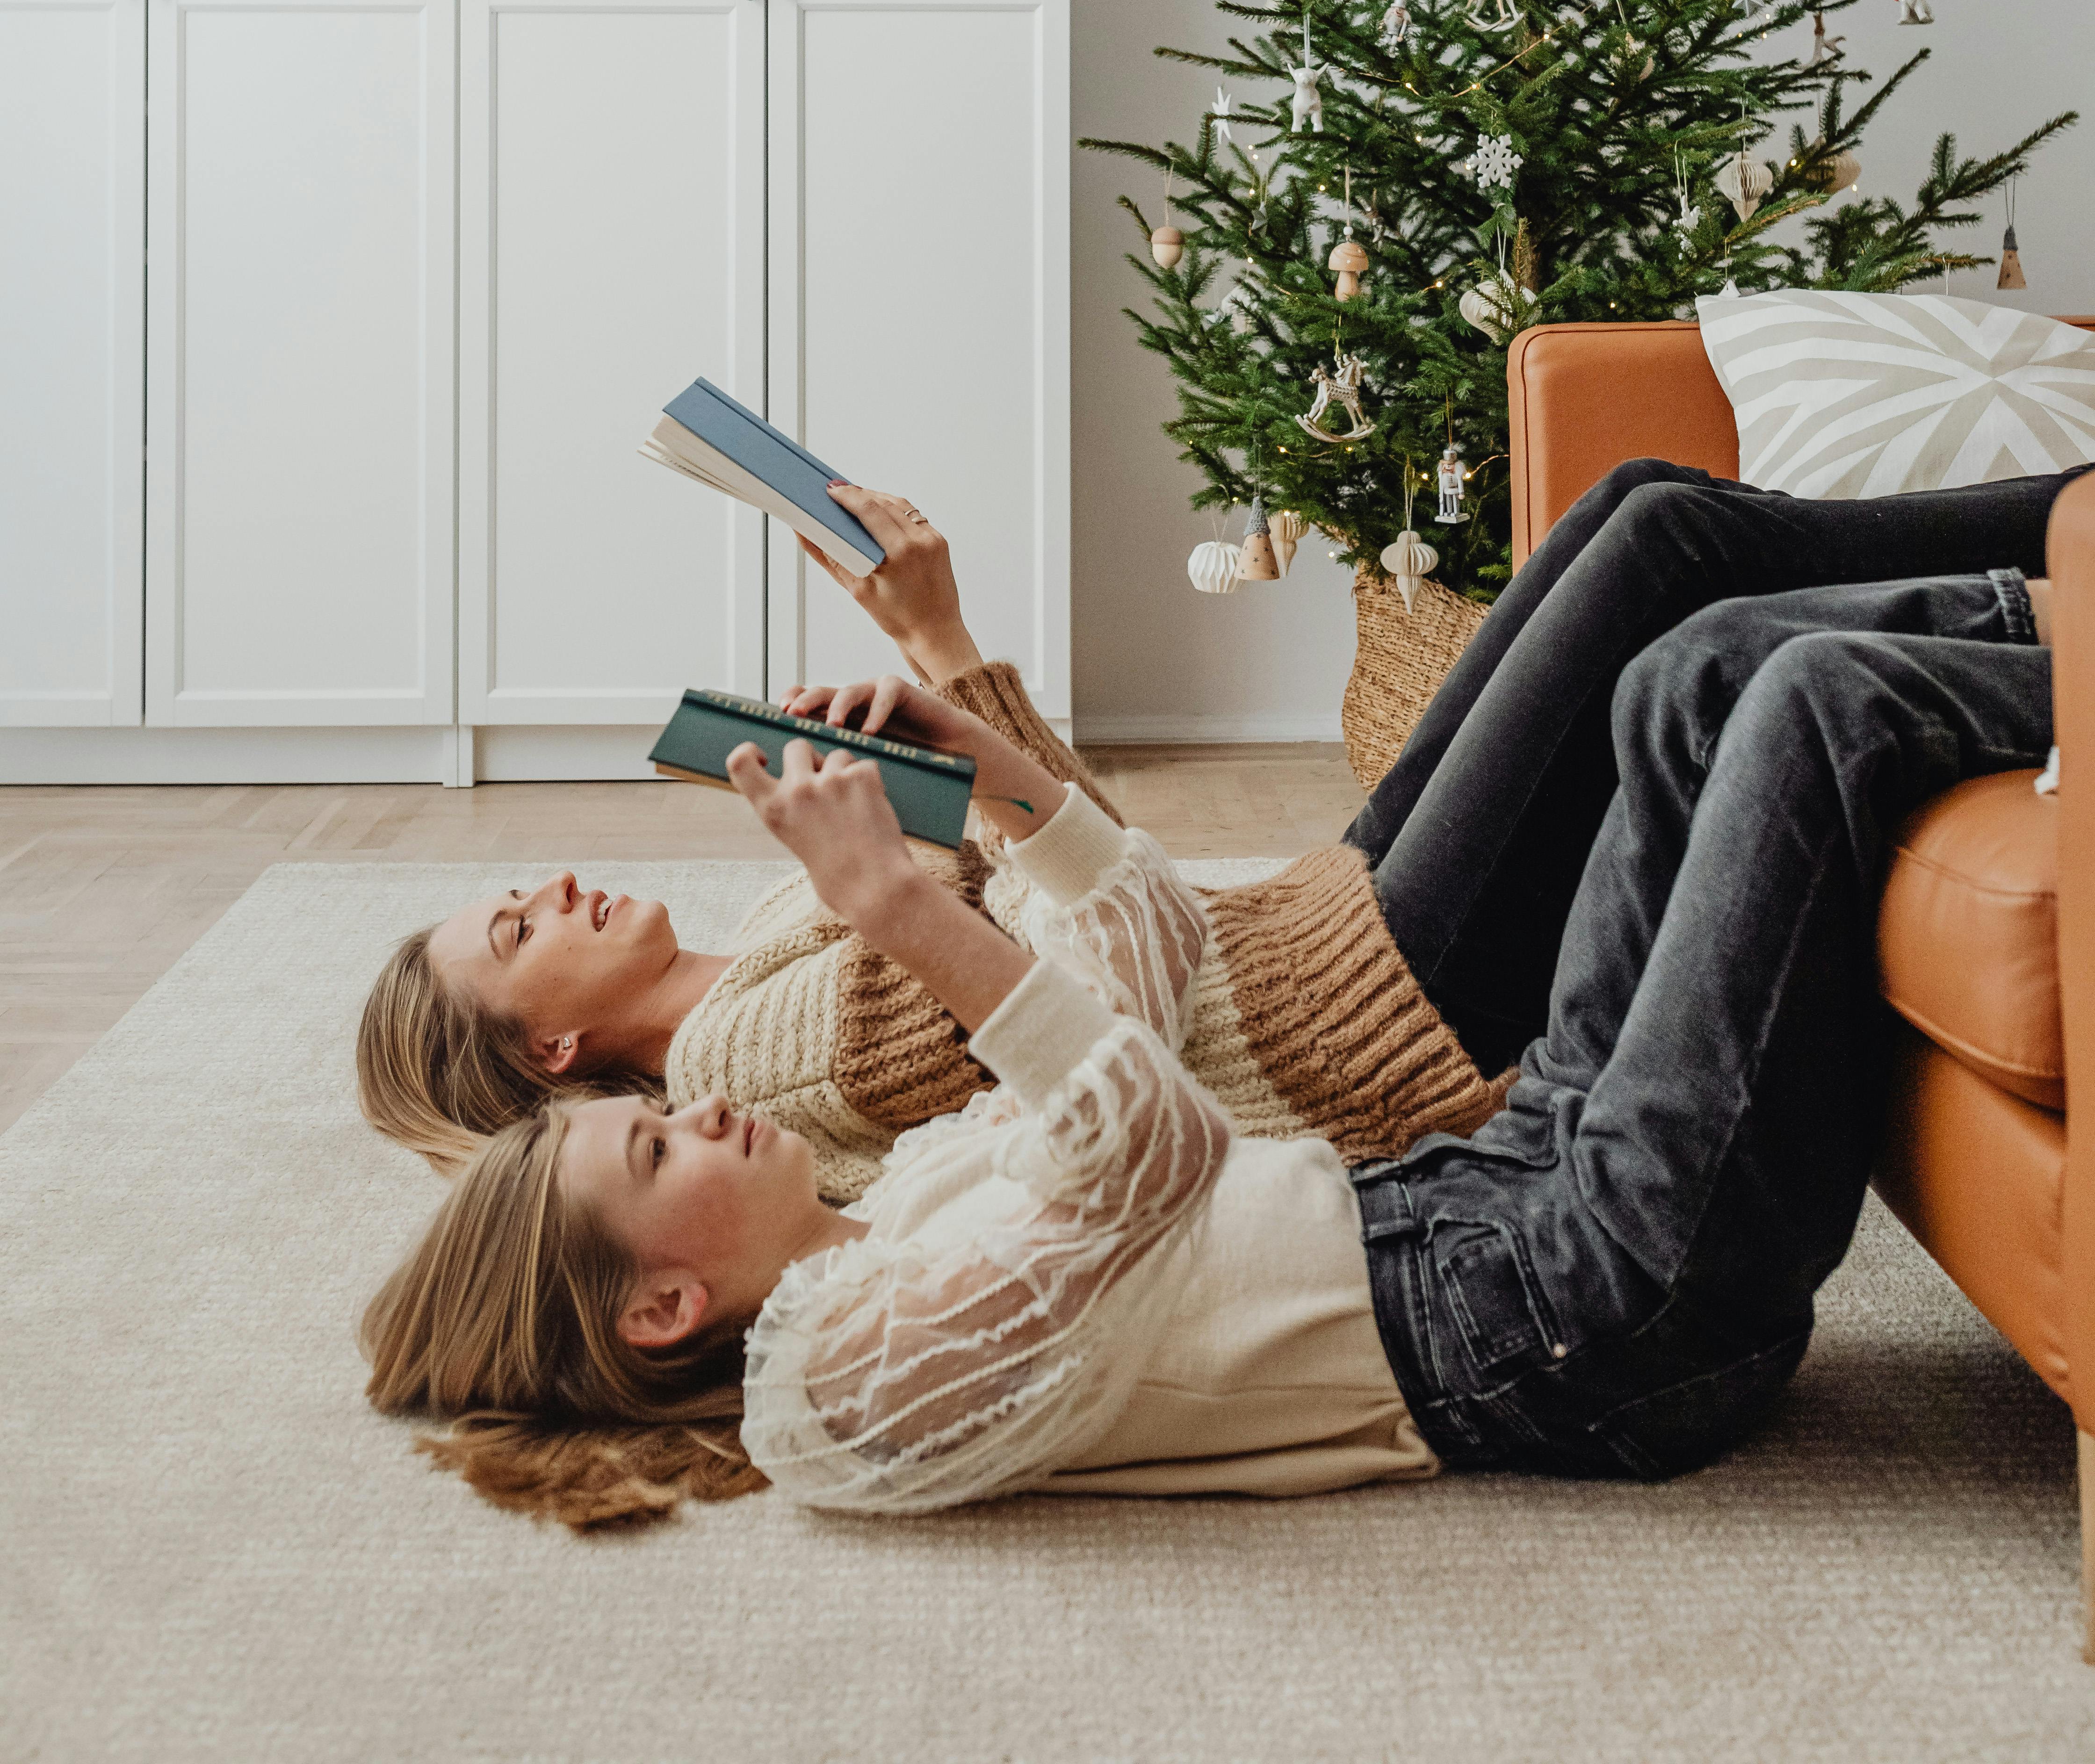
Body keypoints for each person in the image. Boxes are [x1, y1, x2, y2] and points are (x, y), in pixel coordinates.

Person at [362, 508, 2057, 1523]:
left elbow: (1147, 968)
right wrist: (898, 907)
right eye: (658, 1147)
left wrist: (992, 771)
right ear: (664, 1306)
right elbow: (1157, 1148)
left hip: (1511, 1194)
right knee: (1809, 712)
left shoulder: (878, 1229)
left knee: (1690, 685)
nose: (714, 1120)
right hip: (1583, 1313)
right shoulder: (845, 1395)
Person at [357, 489, 1503, 1188]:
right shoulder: (746, 1063)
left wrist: (940, 709)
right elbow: (1083, 983)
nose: (555, 886)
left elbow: (1095, 867)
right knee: (1642, 535)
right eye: (517, 930)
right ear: (550, 1050)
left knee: (1628, 529)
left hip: (1311, 935)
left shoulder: (767, 935)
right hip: (1350, 1013)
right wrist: (943, 688)